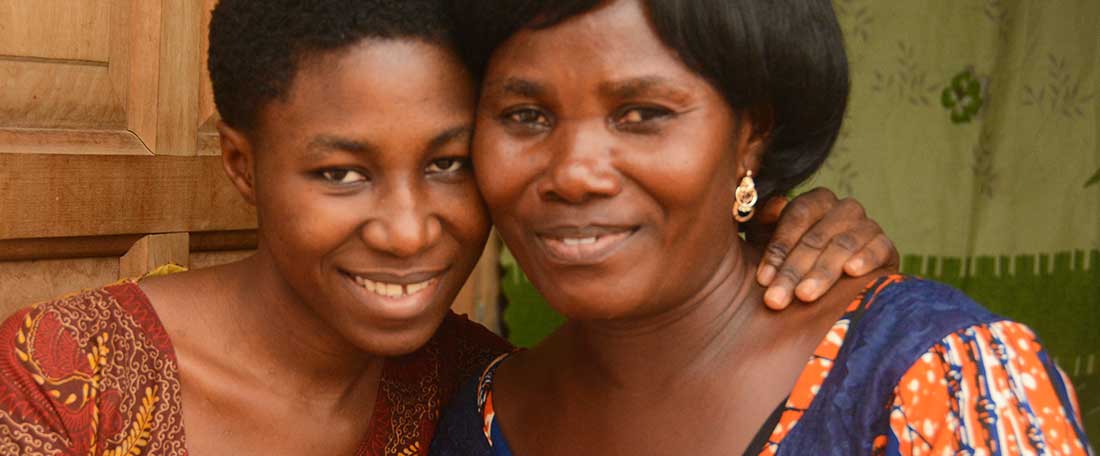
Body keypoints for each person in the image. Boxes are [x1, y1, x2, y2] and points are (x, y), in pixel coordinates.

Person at [0, 1, 900, 455]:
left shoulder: (479, 395)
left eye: (448, 163)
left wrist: (765, 244)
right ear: (241, 164)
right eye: (340, 173)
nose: (406, 231)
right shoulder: (63, 378)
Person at [430, 0, 1091, 455]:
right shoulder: (480, 420)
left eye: (643, 113)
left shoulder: (933, 376)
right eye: (524, 115)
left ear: (752, 135)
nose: (573, 173)